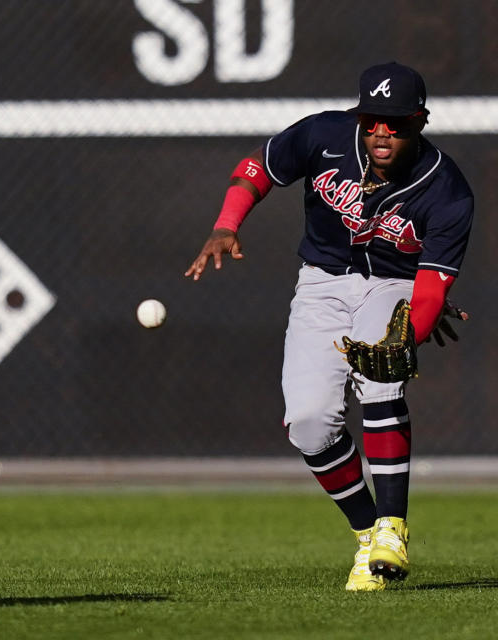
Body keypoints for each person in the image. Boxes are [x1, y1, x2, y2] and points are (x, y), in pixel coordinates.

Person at [185, 62, 473, 591]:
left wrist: (412, 330)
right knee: (309, 423)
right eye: (373, 120)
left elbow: (431, 284)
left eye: (397, 122)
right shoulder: (324, 135)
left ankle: (392, 527)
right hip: (319, 285)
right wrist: (226, 225)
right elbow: (257, 169)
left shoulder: (447, 190)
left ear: (421, 120)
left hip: (392, 284)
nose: (383, 132)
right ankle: (367, 534)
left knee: (382, 378)